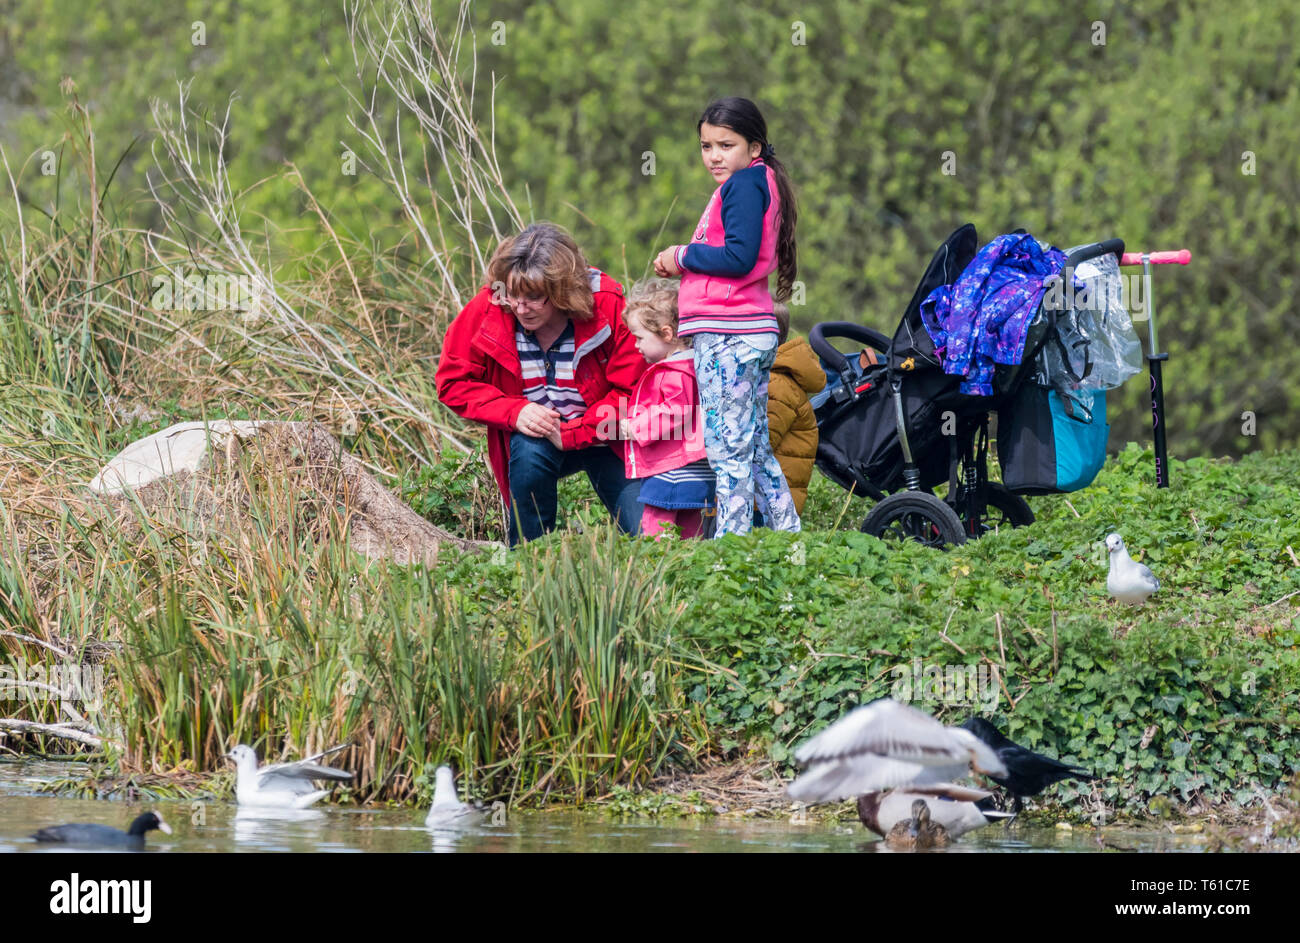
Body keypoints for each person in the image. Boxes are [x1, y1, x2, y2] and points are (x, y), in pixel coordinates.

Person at [436, 223, 645, 545]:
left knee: (646, 532)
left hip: (608, 434)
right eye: (513, 295)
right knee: (528, 455)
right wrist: (514, 411)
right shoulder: (491, 304)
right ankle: (528, 563)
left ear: (562, 291)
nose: (520, 308)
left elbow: (632, 390)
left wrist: (575, 433)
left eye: (534, 298)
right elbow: (453, 381)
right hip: (540, 436)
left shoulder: (606, 304)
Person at [652, 96, 801, 537]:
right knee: (753, 449)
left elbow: (738, 257)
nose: (715, 156)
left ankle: (730, 554)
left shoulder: (743, 186)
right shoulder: (758, 182)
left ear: (755, 147)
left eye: (726, 145)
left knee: (727, 452)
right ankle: (788, 539)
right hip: (748, 332)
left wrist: (681, 255)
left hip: (728, 335)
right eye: (706, 146)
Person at [619, 279, 715, 539]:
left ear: (667, 334)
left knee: (656, 532)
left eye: (640, 338)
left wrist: (636, 427)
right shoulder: (697, 368)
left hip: (670, 469)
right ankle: (687, 575)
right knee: (690, 533)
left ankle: (655, 576)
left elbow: (676, 409)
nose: (636, 346)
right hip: (695, 468)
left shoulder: (675, 372)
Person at [765, 302, 826, 517]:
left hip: (769, 499)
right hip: (772, 495)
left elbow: (761, 441)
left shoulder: (775, 384)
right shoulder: (774, 378)